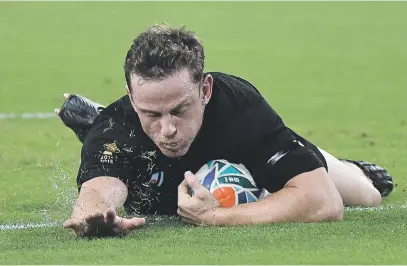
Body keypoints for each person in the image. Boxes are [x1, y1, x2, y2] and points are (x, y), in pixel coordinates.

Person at [56, 23, 394, 238]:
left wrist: (216, 217)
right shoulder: (118, 127)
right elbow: (97, 194)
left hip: (250, 157)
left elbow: (324, 203)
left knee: (368, 195)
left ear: (205, 91)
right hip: (149, 162)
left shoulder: (239, 108)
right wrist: (94, 216)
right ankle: (106, 135)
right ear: (131, 98)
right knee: (119, 146)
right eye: (151, 113)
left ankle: (324, 159)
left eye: (179, 109)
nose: (168, 128)